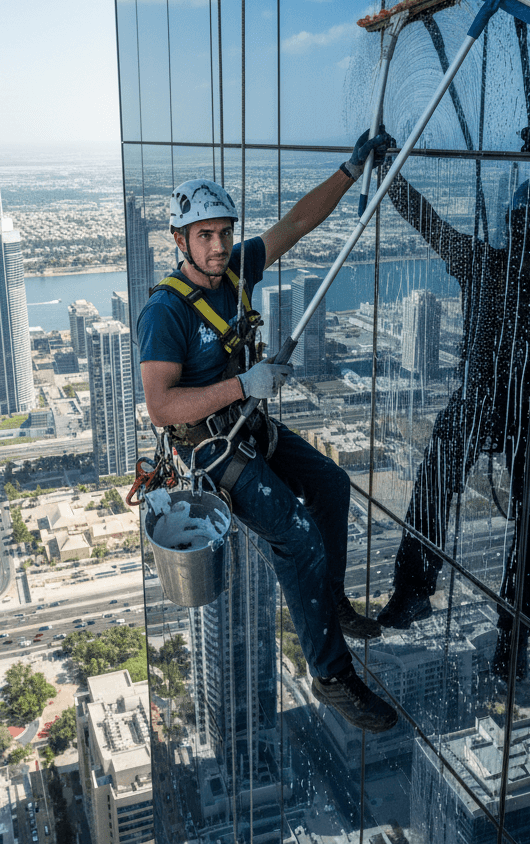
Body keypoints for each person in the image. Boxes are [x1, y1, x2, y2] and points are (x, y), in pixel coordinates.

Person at [137, 134, 399, 733]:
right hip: (210, 449)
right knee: (297, 534)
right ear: (181, 241)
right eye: (205, 236)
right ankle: (332, 675)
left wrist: (349, 171)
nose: (219, 245)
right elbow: (160, 406)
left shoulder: (237, 270)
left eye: (225, 233)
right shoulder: (166, 313)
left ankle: (330, 602)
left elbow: (297, 225)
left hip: (247, 426)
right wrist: (242, 385)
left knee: (331, 483)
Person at [376, 171, 530, 678]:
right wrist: (389, 177)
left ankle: (514, 638)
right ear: (517, 225)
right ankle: (415, 590)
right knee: (439, 470)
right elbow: (429, 224)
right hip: (483, 400)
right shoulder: (484, 262)